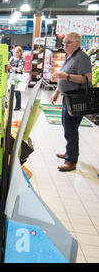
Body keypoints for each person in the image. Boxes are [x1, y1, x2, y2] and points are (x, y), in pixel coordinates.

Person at [50, 32, 92, 172]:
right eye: (64, 43)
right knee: (67, 126)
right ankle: (69, 152)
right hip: (67, 97)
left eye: (67, 42)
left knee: (71, 128)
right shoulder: (69, 57)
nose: (64, 45)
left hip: (76, 98)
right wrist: (56, 92)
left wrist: (65, 76)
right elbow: (62, 75)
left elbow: (87, 78)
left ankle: (72, 160)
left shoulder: (82, 58)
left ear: (77, 43)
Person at [7, 45, 25, 110]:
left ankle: (18, 106)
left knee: (17, 92)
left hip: (17, 77)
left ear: (20, 53)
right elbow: (8, 64)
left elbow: (20, 69)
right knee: (9, 91)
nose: (15, 53)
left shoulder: (21, 60)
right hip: (10, 76)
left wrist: (12, 67)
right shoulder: (12, 58)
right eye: (15, 52)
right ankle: (9, 106)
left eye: (17, 52)